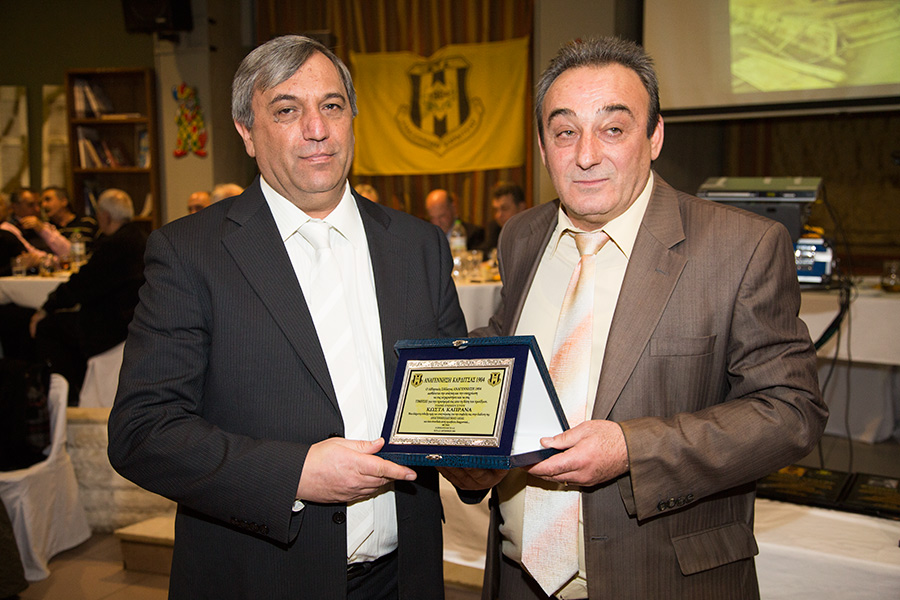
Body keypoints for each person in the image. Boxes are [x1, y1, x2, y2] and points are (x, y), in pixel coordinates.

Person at [441, 37, 827, 599]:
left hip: (665, 582)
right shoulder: (522, 235)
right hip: (517, 579)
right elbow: (508, 345)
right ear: (543, 146)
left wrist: (631, 449)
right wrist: (468, 439)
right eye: (565, 131)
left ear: (655, 136)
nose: (586, 154)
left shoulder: (741, 247)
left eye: (613, 128)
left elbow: (792, 412)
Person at [107, 35, 466, 600]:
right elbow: (142, 432)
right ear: (247, 132)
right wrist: (296, 474)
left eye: (331, 105)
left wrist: (481, 459)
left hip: (405, 578)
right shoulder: (190, 253)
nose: (316, 129)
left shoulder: (418, 245)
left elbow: (452, 402)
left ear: (352, 117)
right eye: (286, 110)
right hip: (260, 578)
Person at [30, 189, 146, 406]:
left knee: (47, 327)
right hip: (132, 316)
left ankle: (67, 395)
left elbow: (82, 284)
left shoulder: (115, 244)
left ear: (105, 216)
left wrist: (47, 307)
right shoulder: (139, 237)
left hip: (112, 325)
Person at [480, 181, 526, 252]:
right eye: (496, 210)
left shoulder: (533, 231)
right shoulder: (495, 228)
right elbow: (485, 252)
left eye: (504, 208)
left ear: (521, 208)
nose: (498, 215)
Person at [6, 188, 49, 252]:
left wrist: (43, 229)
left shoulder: (44, 224)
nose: (37, 209)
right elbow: (30, 253)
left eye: (39, 204)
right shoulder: (8, 230)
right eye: (31, 205)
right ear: (15, 207)